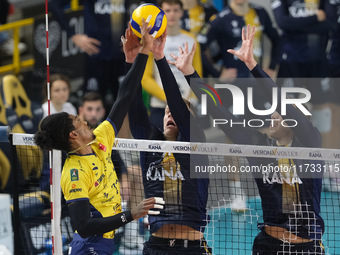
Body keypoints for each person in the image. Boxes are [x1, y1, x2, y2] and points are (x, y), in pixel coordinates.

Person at [170, 25, 325, 254]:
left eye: (280, 113)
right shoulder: (260, 148)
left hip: (306, 248)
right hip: (268, 245)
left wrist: (253, 65)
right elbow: (220, 113)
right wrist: (191, 75)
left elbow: (280, 101)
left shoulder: (311, 144)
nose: (273, 115)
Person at [34, 22, 163, 255]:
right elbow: (83, 226)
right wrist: (131, 214)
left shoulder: (99, 139)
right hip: (90, 246)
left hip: (105, 243)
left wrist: (138, 55)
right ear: (73, 135)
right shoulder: (73, 173)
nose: (83, 119)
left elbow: (124, 96)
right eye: (77, 119)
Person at [128, 25, 211, 253]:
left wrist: (160, 58)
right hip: (156, 246)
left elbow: (177, 102)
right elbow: (134, 105)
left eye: (175, 112)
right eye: (166, 112)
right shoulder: (150, 143)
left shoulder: (195, 145)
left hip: (190, 247)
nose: (170, 115)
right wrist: (133, 60)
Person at [78, 91, 145, 253]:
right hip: (84, 184)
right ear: (81, 110)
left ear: (102, 112)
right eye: (89, 109)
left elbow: (116, 159)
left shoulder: (101, 132)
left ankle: (130, 236)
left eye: (97, 109)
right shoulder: (77, 135)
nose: (93, 114)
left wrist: (124, 178)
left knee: (136, 172)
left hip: (104, 180)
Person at [272, 0, 339, 149]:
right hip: (290, 61)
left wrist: (295, 25)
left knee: (324, 115)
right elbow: (283, 23)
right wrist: (315, 18)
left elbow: (330, 24)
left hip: (318, 60)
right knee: (285, 112)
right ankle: (288, 165)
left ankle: (324, 166)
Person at [141, 0, 203, 130]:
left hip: (187, 105)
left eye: (175, 10)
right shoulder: (152, 40)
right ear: (161, 14)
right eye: (167, 11)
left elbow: (198, 75)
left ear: (181, 12)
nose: (172, 14)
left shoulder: (191, 40)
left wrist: (189, 99)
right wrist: (169, 98)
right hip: (160, 106)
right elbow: (145, 78)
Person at [49, 0, 126, 101]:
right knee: (92, 105)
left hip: (122, 55)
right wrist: (73, 35)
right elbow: (54, 5)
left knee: (126, 104)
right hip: (96, 56)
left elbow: (152, 5)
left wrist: (138, 36)